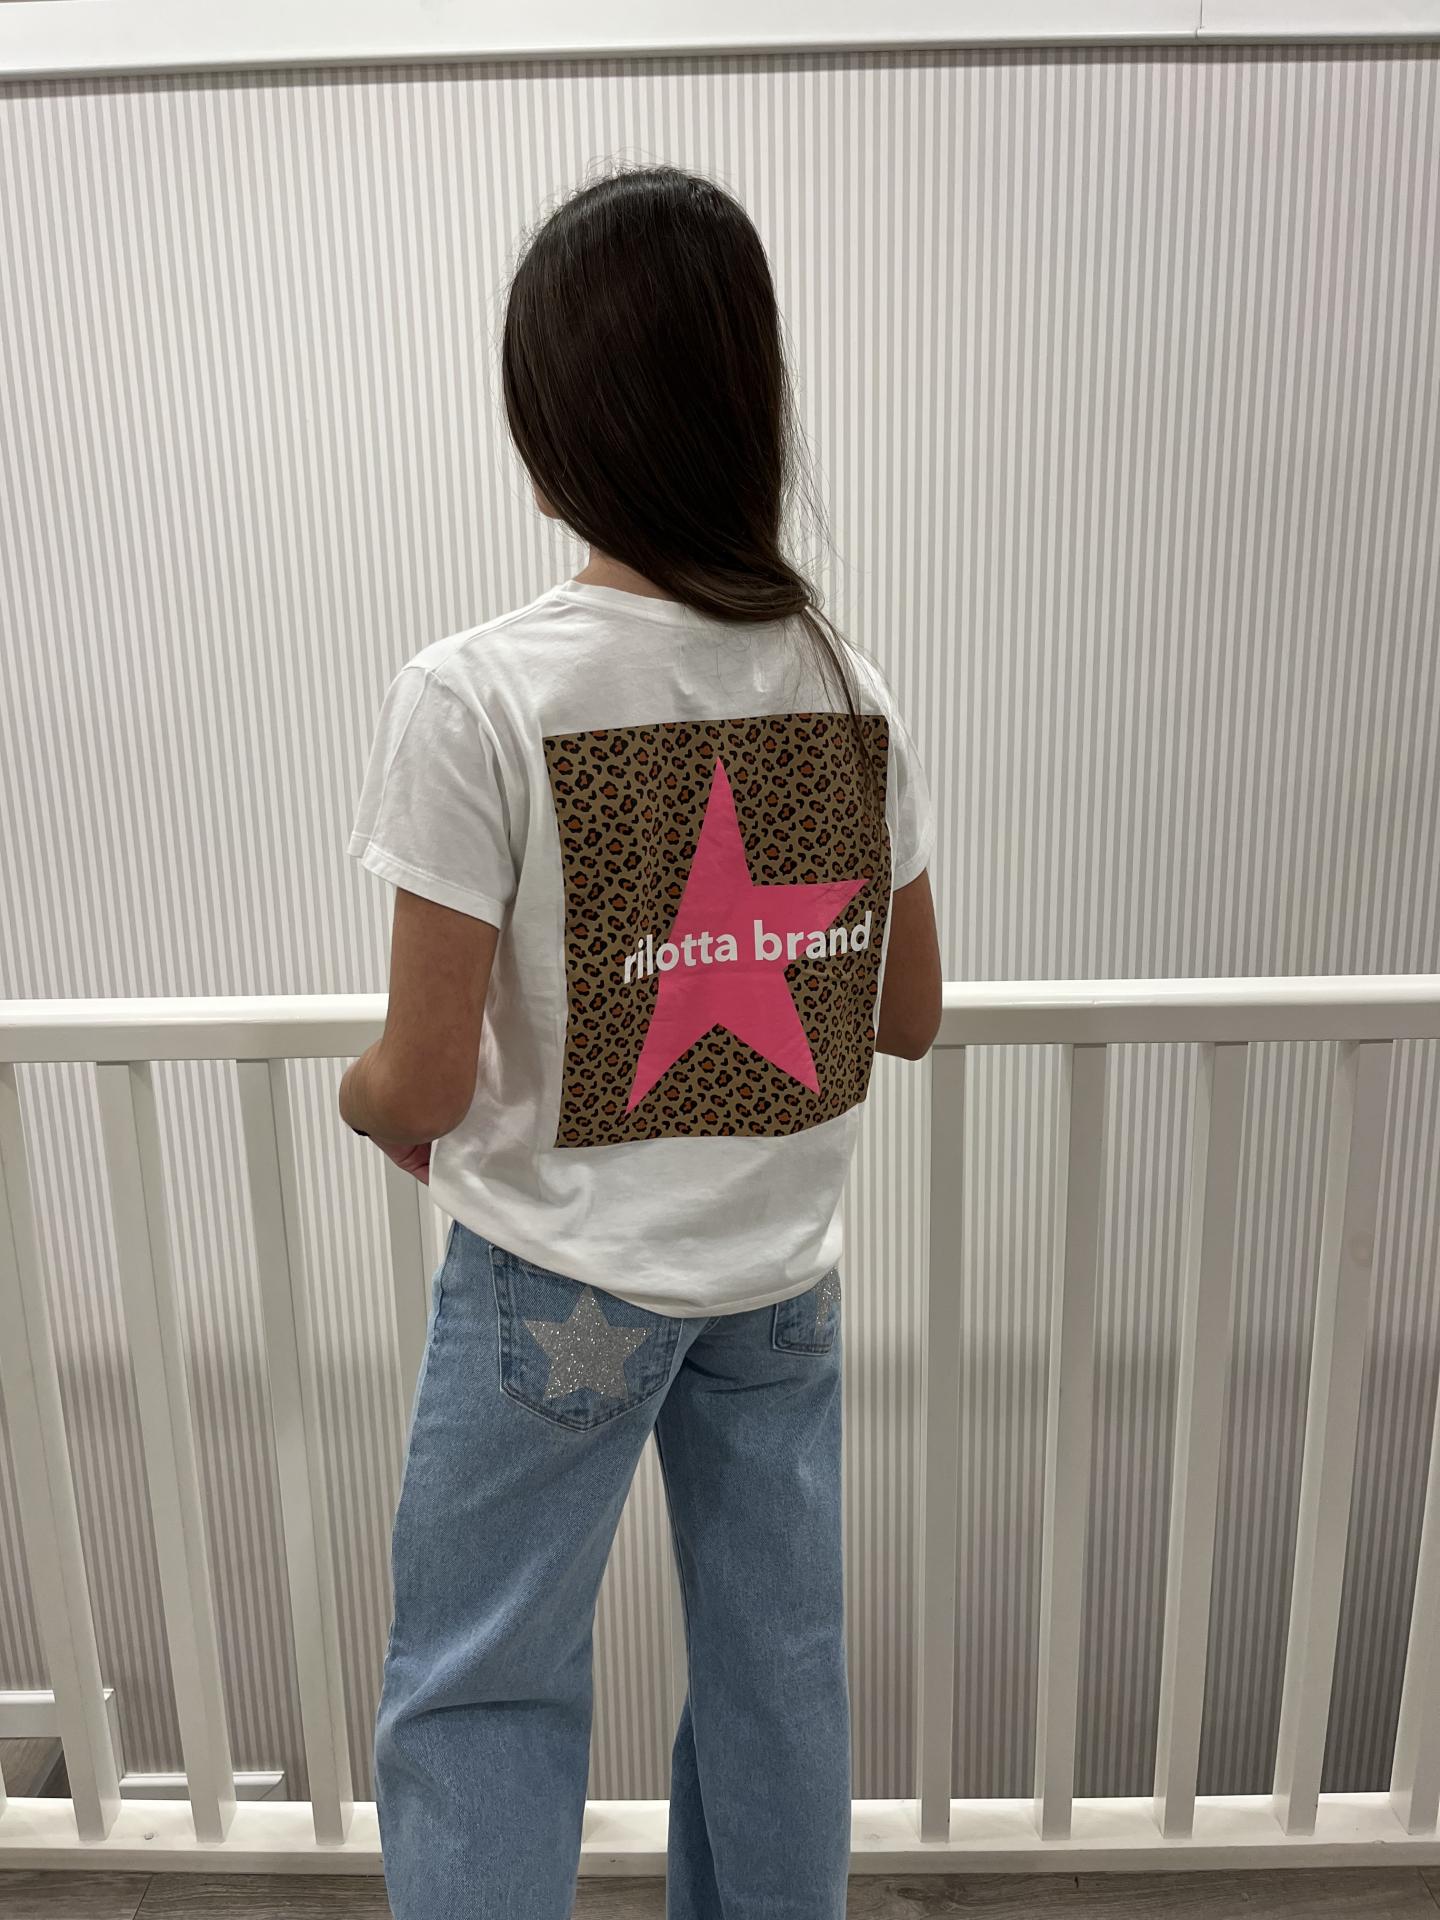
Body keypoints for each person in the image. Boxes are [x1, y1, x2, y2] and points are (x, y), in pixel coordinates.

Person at [337, 161, 941, 1920]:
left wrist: (361, 1096)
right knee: (777, 1674)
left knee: (484, 1684)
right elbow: (905, 1015)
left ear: (560, 425)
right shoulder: (843, 684)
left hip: (562, 1285)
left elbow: (422, 1079)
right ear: (746, 404)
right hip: (776, 1280)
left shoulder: (479, 693)